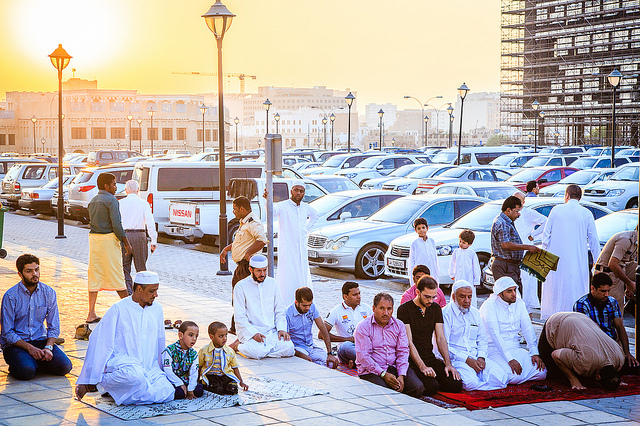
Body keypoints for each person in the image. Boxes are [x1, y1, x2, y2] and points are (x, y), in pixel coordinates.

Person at [76, 271, 175, 406]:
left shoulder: (157, 309)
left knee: (167, 392)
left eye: (156, 291)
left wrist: (161, 368)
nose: (156, 295)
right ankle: (102, 383)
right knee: (135, 377)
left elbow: (160, 341)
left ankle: (125, 393)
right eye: (152, 291)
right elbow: (100, 340)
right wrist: (89, 378)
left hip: (149, 367)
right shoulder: (119, 308)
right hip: (124, 363)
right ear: (139, 289)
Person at [0, 254, 72, 381]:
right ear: (20, 274)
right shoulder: (11, 296)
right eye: (29, 271)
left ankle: (34, 361)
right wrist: (30, 349)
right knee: (26, 371)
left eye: (37, 269)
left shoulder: (49, 292)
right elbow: (7, 333)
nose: (35, 274)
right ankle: (27, 363)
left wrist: (48, 348)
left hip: (40, 341)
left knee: (65, 366)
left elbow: (54, 327)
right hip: (17, 344)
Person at [541, 184, 600, 320]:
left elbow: (545, 237)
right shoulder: (586, 213)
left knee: (555, 294)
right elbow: (594, 240)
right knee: (576, 291)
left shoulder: (556, 210)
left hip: (556, 262)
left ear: (566, 195)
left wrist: (543, 258)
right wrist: (597, 263)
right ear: (580, 197)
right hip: (577, 262)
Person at [397, 275, 462, 395]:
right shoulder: (404, 310)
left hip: (429, 357)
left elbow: (440, 338)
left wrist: (448, 364)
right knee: (431, 387)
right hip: (412, 359)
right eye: (427, 297)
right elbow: (408, 342)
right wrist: (422, 367)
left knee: (455, 384)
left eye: (433, 297)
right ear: (418, 292)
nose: (430, 301)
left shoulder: (435, 308)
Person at [355, 293, 425, 398]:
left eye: (389, 309)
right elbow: (364, 357)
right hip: (372, 370)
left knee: (418, 388)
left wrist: (401, 375)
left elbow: (403, 351)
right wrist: (383, 374)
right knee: (384, 392)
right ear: (374, 309)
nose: (386, 313)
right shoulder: (363, 327)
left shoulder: (399, 325)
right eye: (382, 308)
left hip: (394, 367)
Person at [479, 277, 547, 385]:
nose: (514, 294)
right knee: (514, 376)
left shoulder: (519, 303)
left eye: (514, 290)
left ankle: (520, 377)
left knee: (542, 372)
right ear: (500, 293)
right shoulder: (489, 306)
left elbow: (528, 328)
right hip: (495, 350)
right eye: (509, 291)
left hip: (516, 348)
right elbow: (495, 335)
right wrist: (510, 359)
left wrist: (534, 352)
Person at [538, 312, 631, 390]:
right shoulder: (585, 362)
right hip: (557, 321)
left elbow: (612, 376)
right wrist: (573, 380)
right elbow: (555, 355)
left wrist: (614, 381)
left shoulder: (620, 359)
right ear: (598, 377)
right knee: (550, 372)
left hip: (582, 318)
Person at [442, 280, 508, 391]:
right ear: (453, 297)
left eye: (469, 297)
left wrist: (481, 357)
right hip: (457, 359)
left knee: (502, 378)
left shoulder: (475, 313)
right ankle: (479, 382)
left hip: (476, 356)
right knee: (470, 383)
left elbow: (482, 339)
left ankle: (479, 383)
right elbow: (444, 345)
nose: (467, 301)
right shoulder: (445, 314)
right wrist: (467, 360)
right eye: (462, 297)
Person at [87, 172, 132, 323]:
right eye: (114, 184)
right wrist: (127, 243)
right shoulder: (112, 200)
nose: (116, 187)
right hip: (108, 240)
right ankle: (130, 309)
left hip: (94, 240)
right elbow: (117, 225)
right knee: (117, 273)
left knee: (95, 275)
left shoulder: (93, 200)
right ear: (106, 186)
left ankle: (91, 313)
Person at [230, 254, 295, 359]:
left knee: (289, 349)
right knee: (256, 353)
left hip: (271, 332)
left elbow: (280, 310)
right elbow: (240, 317)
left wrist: (281, 329)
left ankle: (266, 349)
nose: (263, 274)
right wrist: (253, 333)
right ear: (251, 270)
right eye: (259, 271)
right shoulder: (241, 287)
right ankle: (237, 346)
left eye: (265, 270)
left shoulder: (273, 283)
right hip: (251, 331)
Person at [220, 196, 268, 333]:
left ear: (242, 208)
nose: (233, 211)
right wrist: (227, 249)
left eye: (235, 209)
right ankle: (236, 326)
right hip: (240, 266)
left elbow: (262, 240)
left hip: (246, 266)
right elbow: (241, 242)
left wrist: (248, 253)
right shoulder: (244, 222)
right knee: (238, 296)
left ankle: (242, 327)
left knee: (244, 297)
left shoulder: (253, 222)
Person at [574, 273, 638, 368]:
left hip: (612, 343)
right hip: (593, 345)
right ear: (593, 289)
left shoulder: (612, 301)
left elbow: (620, 327)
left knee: (632, 366)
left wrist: (627, 352)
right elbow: (586, 333)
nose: (606, 294)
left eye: (608, 291)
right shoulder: (582, 304)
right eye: (603, 291)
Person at [272, 181, 318, 305]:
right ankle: (287, 301)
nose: (298, 193)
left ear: (304, 193)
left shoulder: (305, 207)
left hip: (301, 247)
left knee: (302, 272)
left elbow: (315, 216)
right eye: (296, 190)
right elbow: (272, 212)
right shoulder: (283, 205)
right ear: (291, 191)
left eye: (301, 191)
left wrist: (305, 229)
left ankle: (303, 298)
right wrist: (267, 199)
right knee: (287, 273)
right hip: (287, 247)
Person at [490, 196, 539, 292]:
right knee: (509, 295)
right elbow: (506, 244)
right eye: (517, 211)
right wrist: (528, 247)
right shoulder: (502, 223)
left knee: (517, 294)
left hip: (511, 265)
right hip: (505, 265)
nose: (519, 214)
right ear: (508, 210)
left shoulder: (507, 222)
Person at [119, 180, 157, 295]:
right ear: (138, 190)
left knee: (125, 267)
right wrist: (153, 240)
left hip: (124, 236)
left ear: (126, 190)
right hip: (140, 236)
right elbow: (150, 222)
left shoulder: (120, 203)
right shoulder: (143, 203)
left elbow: (116, 222)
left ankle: (129, 292)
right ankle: (142, 292)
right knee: (141, 268)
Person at [323, 282, 373, 368]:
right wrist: (347, 339)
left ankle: (357, 362)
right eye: (355, 295)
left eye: (359, 293)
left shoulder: (366, 308)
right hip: (348, 348)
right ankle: (368, 361)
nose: (359, 297)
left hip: (366, 346)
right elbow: (322, 334)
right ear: (345, 297)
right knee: (346, 346)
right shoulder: (336, 311)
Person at [512, 191, 547, 314]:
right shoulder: (509, 214)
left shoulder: (528, 213)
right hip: (513, 251)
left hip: (526, 251)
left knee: (527, 282)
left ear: (523, 202)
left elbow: (546, 222)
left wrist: (533, 234)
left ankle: (527, 311)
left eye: (518, 200)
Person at [286, 287, 339, 368]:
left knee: (331, 363)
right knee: (307, 364)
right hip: (297, 348)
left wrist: (329, 353)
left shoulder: (312, 307)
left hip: (311, 346)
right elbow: (286, 342)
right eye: (304, 306)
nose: (307, 308)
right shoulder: (287, 313)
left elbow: (323, 329)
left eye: (309, 305)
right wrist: (300, 355)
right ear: (296, 302)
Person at [593, 227, 637, 312]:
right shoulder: (625, 240)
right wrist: (629, 283)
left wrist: (629, 286)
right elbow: (613, 264)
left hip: (622, 268)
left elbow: (627, 263)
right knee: (616, 308)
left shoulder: (635, 242)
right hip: (608, 272)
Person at [199, 321, 248, 395]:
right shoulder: (204, 351)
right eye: (221, 336)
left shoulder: (230, 351)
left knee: (232, 389)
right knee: (217, 390)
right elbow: (199, 367)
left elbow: (235, 367)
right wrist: (196, 381)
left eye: (226, 335)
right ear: (212, 337)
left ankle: (225, 386)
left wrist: (241, 381)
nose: (224, 338)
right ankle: (208, 385)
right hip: (212, 376)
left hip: (226, 375)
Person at [161, 321, 204, 400]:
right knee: (178, 393)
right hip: (172, 381)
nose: (194, 339)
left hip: (185, 380)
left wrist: (190, 389)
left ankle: (187, 390)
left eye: (196, 336)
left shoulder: (193, 354)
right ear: (181, 335)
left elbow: (194, 372)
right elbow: (167, 370)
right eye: (191, 335)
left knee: (199, 391)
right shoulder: (170, 351)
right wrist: (179, 384)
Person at [448, 229, 479, 308]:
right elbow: (452, 263)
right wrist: (452, 274)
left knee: (469, 292)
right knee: (457, 290)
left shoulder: (472, 253)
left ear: (469, 244)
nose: (461, 244)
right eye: (460, 241)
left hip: (469, 278)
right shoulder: (456, 251)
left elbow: (476, 267)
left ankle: (470, 307)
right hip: (458, 276)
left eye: (464, 243)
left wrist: (476, 280)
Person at [407, 218, 440, 282]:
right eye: (419, 228)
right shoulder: (415, 244)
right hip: (421, 271)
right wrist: (411, 274)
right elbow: (411, 260)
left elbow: (435, 258)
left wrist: (437, 271)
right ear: (415, 230)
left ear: (427, 228)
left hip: (432, 270)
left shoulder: (431, 241)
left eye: (423, 227)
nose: (421, 230)